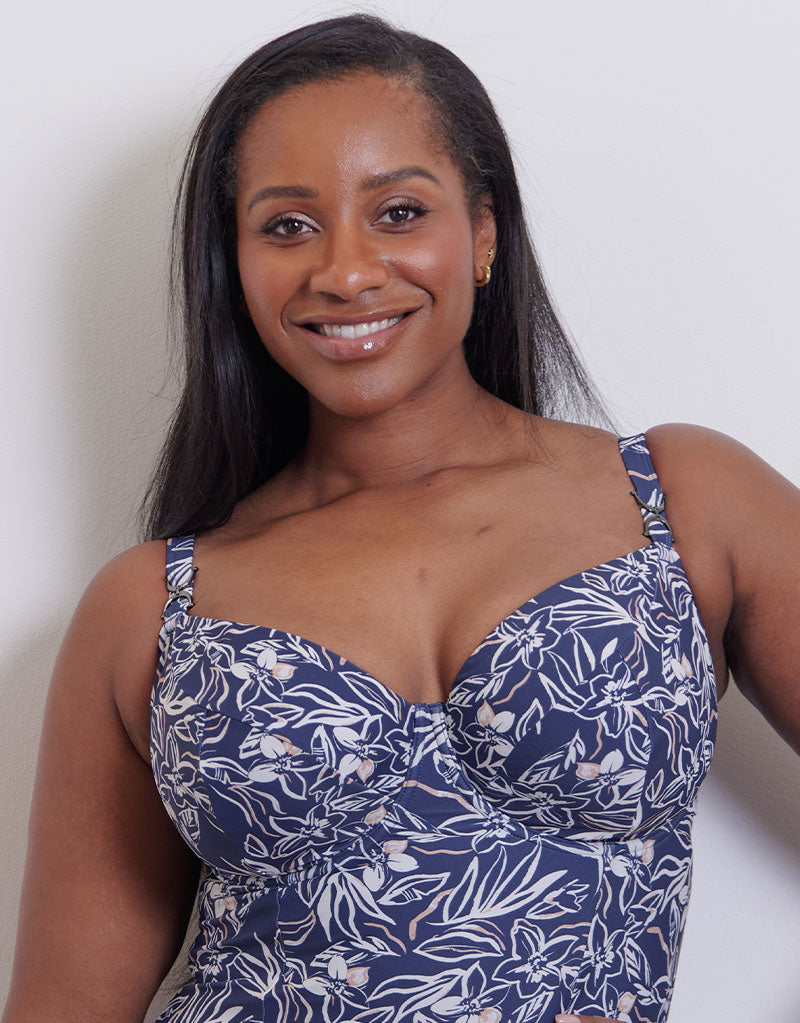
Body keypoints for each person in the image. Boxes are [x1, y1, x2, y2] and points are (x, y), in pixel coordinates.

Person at [3, 13, 798, 1023]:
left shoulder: (679, 502)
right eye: (287, 226)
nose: (344, 271)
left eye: (398, 211)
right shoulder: (152, 608)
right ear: (234, 263)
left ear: (482, 234)